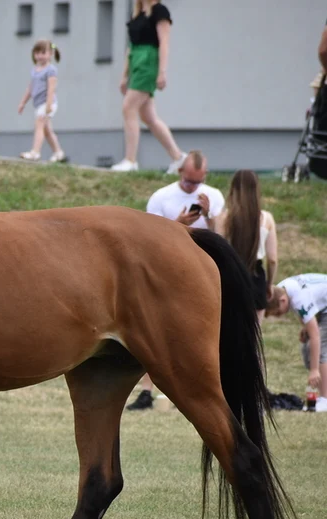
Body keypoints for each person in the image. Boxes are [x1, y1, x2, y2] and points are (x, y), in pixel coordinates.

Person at [128, 150, 225, 410]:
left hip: (204, 274)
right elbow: (149, 240)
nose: (193, 187)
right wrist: (178, 224)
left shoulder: (213, 196)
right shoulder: (162, 197)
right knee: (154, 332)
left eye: (198, 181)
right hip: (167, 276)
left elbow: (221, 238)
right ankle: (147, 390)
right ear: (180, 172)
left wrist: (210, 216)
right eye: (189, 181)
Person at [111, 0, 185, 173]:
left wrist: (162, 72)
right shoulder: (138, 13)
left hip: (149, 63)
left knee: (129, 107)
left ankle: (130, 160)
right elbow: (131, 46)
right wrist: (124, 75)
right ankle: (178, 157)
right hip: (136, 62)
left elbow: (164, 43)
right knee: (149, 117)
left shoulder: (160, 11)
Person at [216, 170, 278, 322]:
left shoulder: (223, 219)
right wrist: (269, 284)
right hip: (256, 278)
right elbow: (272, 259)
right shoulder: (267, 219)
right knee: (253, 338)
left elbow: (218, 252)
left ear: (233, 190)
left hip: (230, 278)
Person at [266, 274, 327, 412]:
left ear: (282, 301)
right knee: (308, 349)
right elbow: (309, 307)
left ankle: (325, 399)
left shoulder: (298, 298)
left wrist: (314, 370)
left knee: (320, 348)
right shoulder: (282, 289)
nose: (279, 315)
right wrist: (305, 327)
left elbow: (316, 335)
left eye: (277, 313)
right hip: (323, 306)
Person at [17, 39, 65, 163]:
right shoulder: (35, 70)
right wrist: (23, 102)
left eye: (43, 53)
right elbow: (30, 88)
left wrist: (49, 105)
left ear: (50, 54)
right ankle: (58, 152)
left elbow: (51, 88)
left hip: (48, 103)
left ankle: (35, 152)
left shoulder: (51, 70)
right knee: (47, 130)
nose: (40, 56)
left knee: (39, 123)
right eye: (37, 53)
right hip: (39, 104)